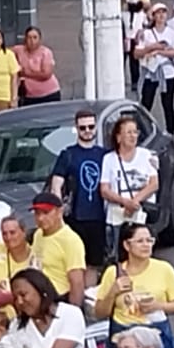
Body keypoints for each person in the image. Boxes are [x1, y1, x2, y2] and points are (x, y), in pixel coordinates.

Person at [93, 223, 174, 348]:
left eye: (149, 240)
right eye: (140, 241)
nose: (146, 245)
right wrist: (113, 292)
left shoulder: (164, 269)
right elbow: (99, 312)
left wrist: (158, 306)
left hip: (156, 333)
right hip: (124, 336)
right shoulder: (113, 273)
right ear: (126, 245)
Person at [46, 109, 111, 268]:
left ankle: (89, 292)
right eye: (83, 128)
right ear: (76, 128)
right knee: (76, 262)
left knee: (95, 263)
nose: (87, 131)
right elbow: (56, 184)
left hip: (99, 217)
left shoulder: (105, 155)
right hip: (74, 217)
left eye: (91, 127)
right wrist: (58, 213)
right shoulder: (68, 154)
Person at [99, 116, 160, 232]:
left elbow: (154, 184)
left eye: (135, 132)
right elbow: (104, 190)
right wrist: (124, 202)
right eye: (128, 133)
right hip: (117, 214)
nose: (133, 136)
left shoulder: (146, 155)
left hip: (141, 212)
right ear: (118, 137)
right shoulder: (109, 159)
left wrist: (134, 202)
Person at [14, 27, 61, 106]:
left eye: (35, 37)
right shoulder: (19, 50)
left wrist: (26, 73)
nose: (32, 41)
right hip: (29, 96)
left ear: (40, 39)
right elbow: (4, 51)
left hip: (48, 94)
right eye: (29, 37)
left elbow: (46, 74)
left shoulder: (46, 52)